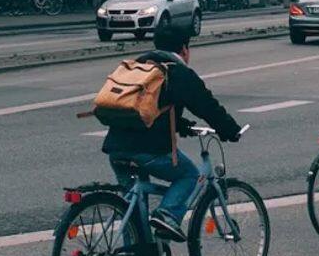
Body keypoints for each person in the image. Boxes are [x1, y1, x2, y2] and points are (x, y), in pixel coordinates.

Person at [102, 23, 242, 242]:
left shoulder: (139, 65)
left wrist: (180, 124)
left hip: (116, 148)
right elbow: (207, 106)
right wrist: (230, 130)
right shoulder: (177, 72)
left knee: (132, 205)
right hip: (149, 151)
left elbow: (150, 109)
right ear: (184, 49)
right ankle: (167, 215)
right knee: (189, 175)